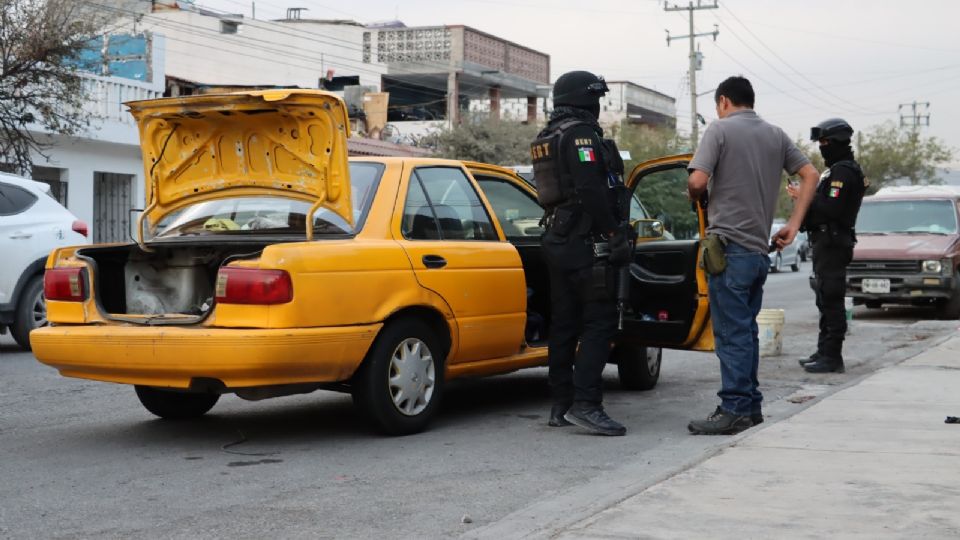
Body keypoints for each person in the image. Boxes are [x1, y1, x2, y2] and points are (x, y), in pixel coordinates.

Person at [686, 76, 820, 435]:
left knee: (730, 335)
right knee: (744, 332)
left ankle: (733, 409)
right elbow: (811, 174)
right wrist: (793, 223)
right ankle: (751, 406)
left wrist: (695, 195)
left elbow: (698, 181)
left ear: (724, 101)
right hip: (759, 252)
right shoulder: (775, 135)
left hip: (728, 250)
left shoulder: (720, 129)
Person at [530, 70, 634, 436]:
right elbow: (591, 188)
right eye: (596, 98)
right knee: (598, 321)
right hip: (584, 239)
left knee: (564, 323)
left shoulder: (549, 135)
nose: (600, 106)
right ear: (583, 99)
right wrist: (613, 231)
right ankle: (587, 405)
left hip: (559, 237)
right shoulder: (579, 134)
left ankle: (561, 404)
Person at [792, 118, 866, 374]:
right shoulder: (836, 170)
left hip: (834, 243)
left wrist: (806, 199)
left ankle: (833, 356)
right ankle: (824, 350)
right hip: (826, 242)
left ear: (836, 142)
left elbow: (830, 209)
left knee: (832, 298)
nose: (822, 148)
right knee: (823, 297)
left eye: (824, 143)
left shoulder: (843, 172)